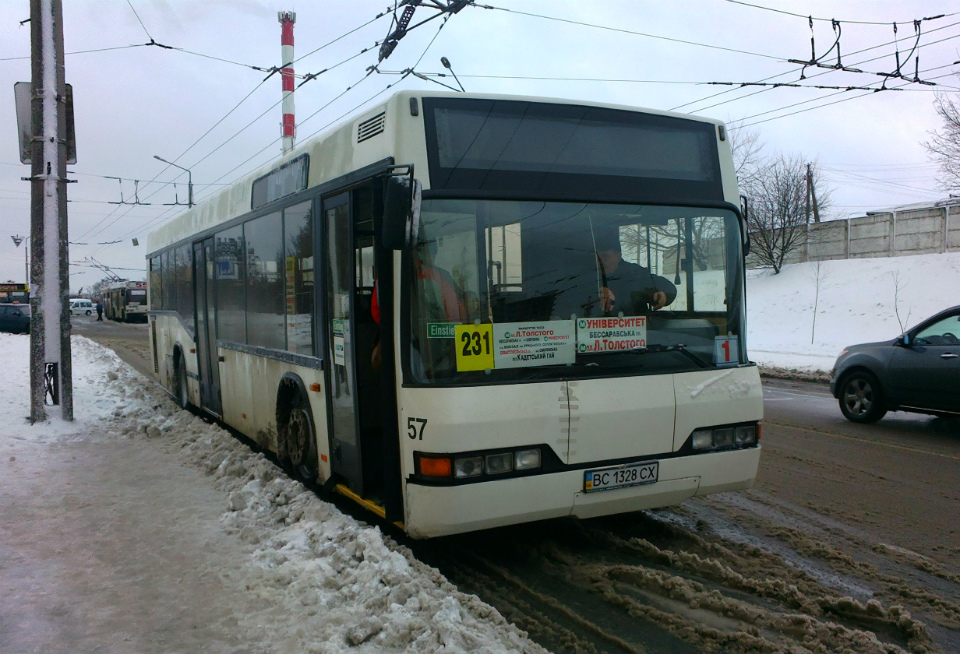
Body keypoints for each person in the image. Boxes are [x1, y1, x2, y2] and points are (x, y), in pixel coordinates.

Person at [594, 228, 677, 314]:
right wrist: (597, 292)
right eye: (597, 257)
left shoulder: (635, 274)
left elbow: (668, 287)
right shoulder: (587, 276)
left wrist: (664, 295)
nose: (600, 261)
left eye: (605, 257)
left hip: (637, 325)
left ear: (618, 257)